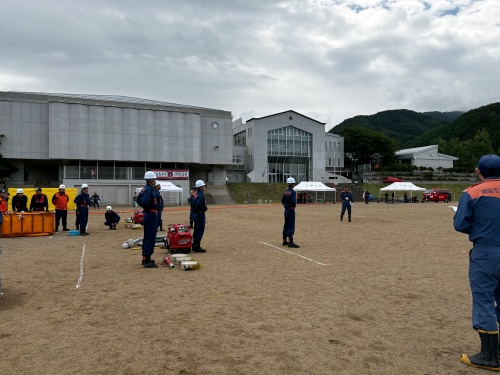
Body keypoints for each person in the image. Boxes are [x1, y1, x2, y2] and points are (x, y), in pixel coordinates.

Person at [453, 154, 500, 371]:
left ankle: (490, 357)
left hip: (486, 253)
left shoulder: (472, 192)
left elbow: (461, 224)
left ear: (479, 171)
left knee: (484, 300)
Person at [138, 171, 159, 268]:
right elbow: (145, 201)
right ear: (150, 180)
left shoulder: (145, 189)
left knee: (148, 235)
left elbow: (139, 200)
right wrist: (149, 207)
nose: (155, 181)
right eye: (154, 179)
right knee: (150, 236)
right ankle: (147, 259)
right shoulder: (149, 189)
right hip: (150, 214)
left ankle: (146, 257)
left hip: (149, 213)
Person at [281, 177, 299, 248]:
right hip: (291, 210)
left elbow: (282, 200)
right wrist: (290, 205)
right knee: (291, 225)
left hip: (286, 210)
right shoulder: (293, 192)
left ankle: (284, 240)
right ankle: (290, 241)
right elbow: (293, 201)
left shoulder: (285, 192)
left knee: (286, 225)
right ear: (292, 184)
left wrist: (285, 205)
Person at [192, 180, 208, 252]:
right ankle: (197, 246)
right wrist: (204, 208)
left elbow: (192, 202)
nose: (204, 187)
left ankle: (194, 244)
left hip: (196, 213)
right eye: (203, 186)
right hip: (200, 214)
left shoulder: (195, 194)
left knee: (196, 229)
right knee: (199, 229)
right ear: (200, 187)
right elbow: (199, 204)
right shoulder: (201, 195)